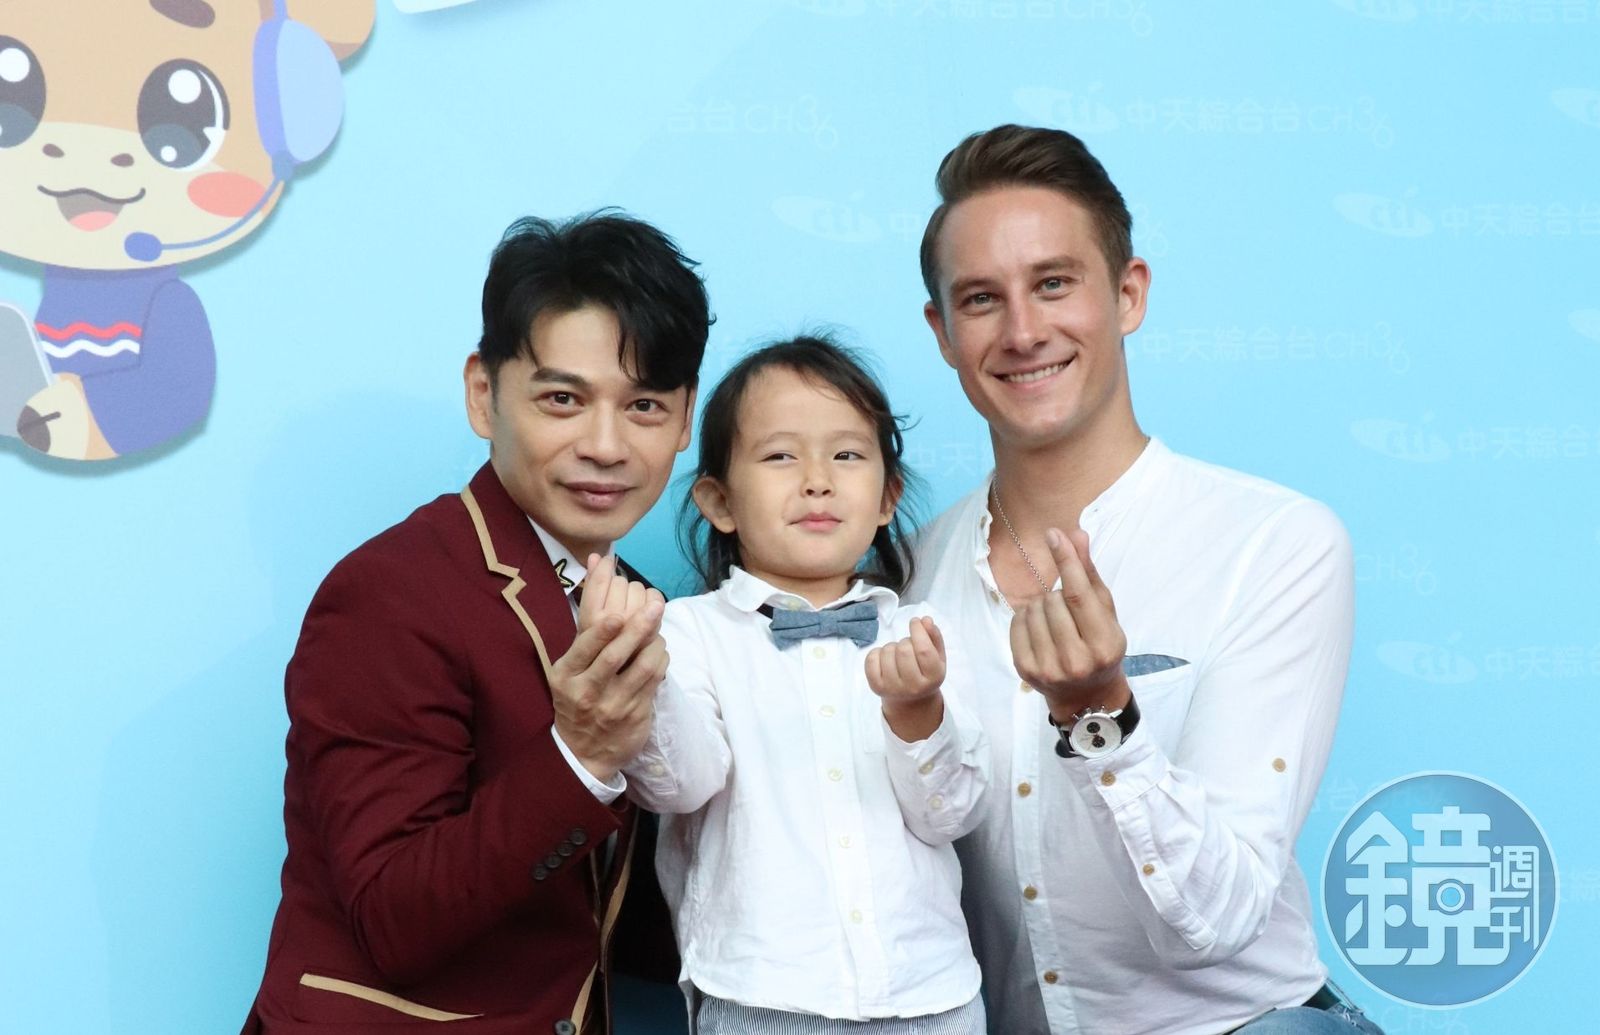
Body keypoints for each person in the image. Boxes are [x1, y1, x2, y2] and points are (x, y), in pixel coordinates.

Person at [907, 125, 1382, 1035]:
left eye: (1054, 283)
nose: (1023, 332)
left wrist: (1101, 716)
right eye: (981, 299)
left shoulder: (1274, 544)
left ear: (1128, 294)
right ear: (943, 332)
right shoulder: (908, 578)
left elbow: (1221, 918)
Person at [241, 211, 710, 1034]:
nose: (606, 445)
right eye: (563, 399)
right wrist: (582, 755)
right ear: (483, 394)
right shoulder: (389, 592)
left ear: (684, 419)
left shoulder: (637, 602)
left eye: (644, 405)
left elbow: (601, 911)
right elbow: (392, 917)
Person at [623, 336, 990, 1034]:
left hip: (932, 995)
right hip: (762, 996)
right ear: (719, 500)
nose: (818, 479)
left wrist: (918, 711)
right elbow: (678, 786)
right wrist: (642, 671)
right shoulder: (686, 634)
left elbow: (951, 816)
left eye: (847, 455)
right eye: (780, 456)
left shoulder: (923, 634)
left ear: (887, 498)